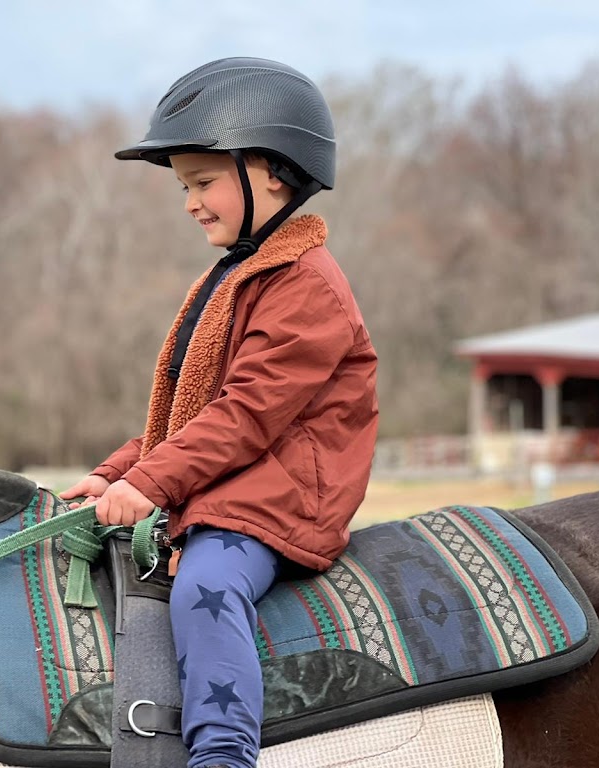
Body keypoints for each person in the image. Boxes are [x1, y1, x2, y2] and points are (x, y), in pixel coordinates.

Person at [60, 57, 378, 768]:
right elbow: (184, 414)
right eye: (184, 186)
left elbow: (244, 416)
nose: (189, 202)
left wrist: (149, 487)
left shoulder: (308, 286)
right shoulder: (235, 274)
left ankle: (223, 752)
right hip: (227, 482)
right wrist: (113, 473)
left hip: (279, 496)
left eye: (201, 182)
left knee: (207, 585)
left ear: (269, 170)